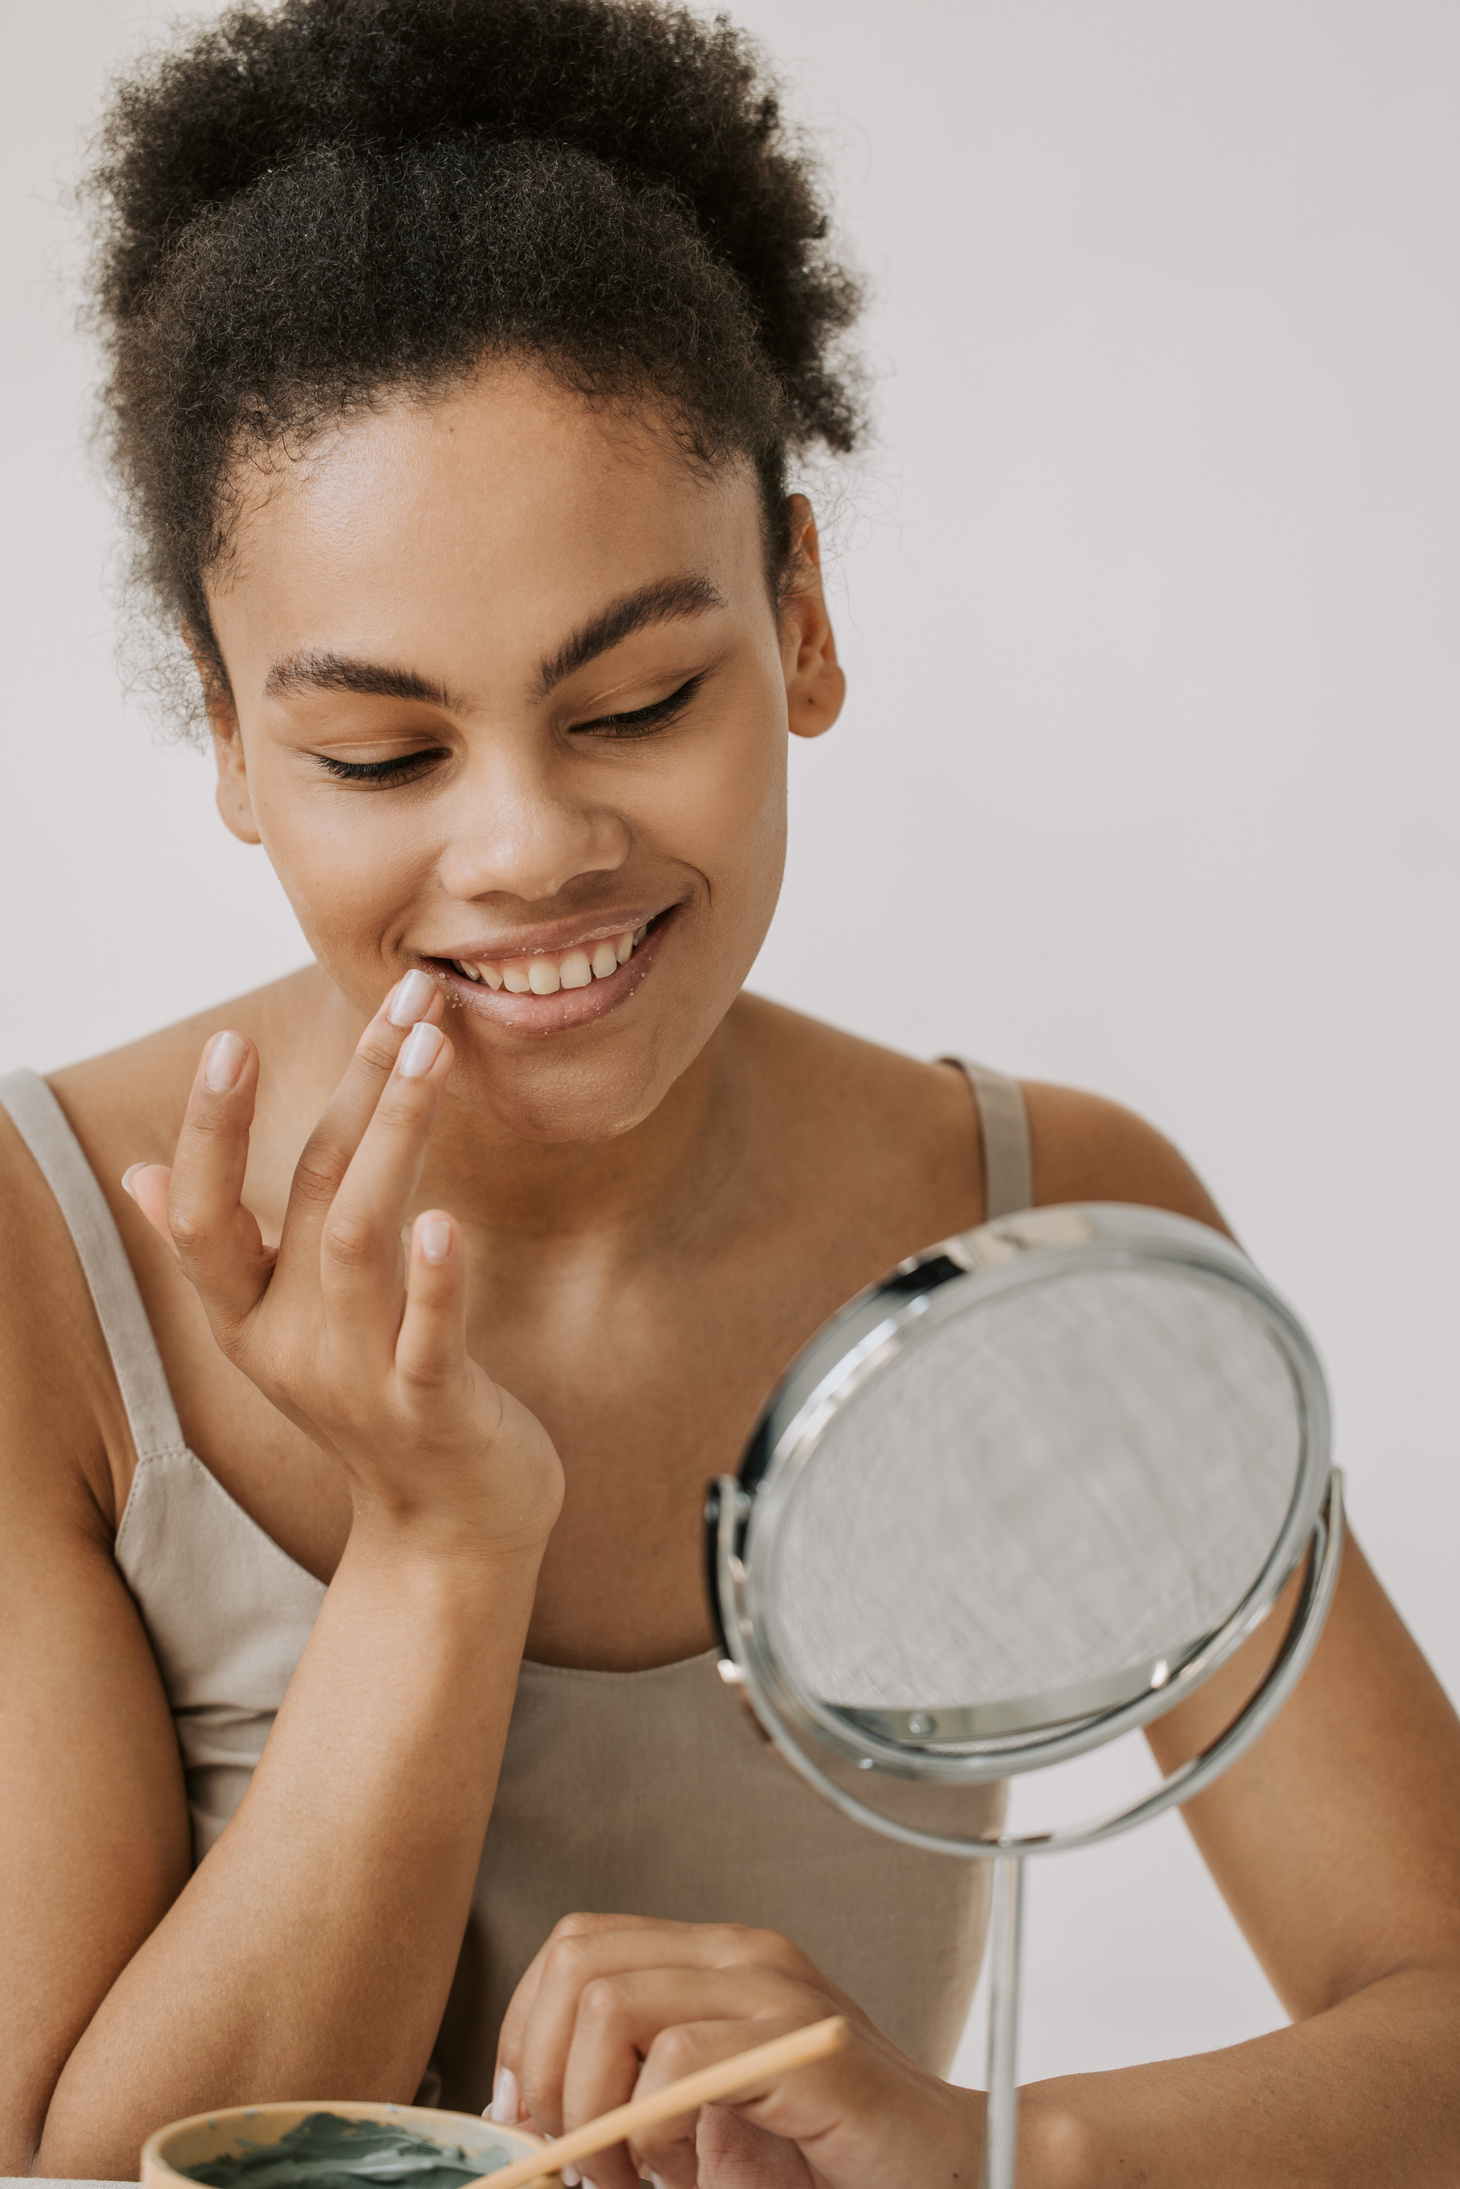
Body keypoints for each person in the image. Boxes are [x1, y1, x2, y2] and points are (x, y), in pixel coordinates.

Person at [1, 1, 1457, 2182]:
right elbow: (63, 2172)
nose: (523, 849)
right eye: (382, 754)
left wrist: (986, 2154)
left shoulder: (1034, 1222)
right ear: (223, 737)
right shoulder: (39, 1264)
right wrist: (436, 1546)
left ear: (800, 612)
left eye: (639, 696)